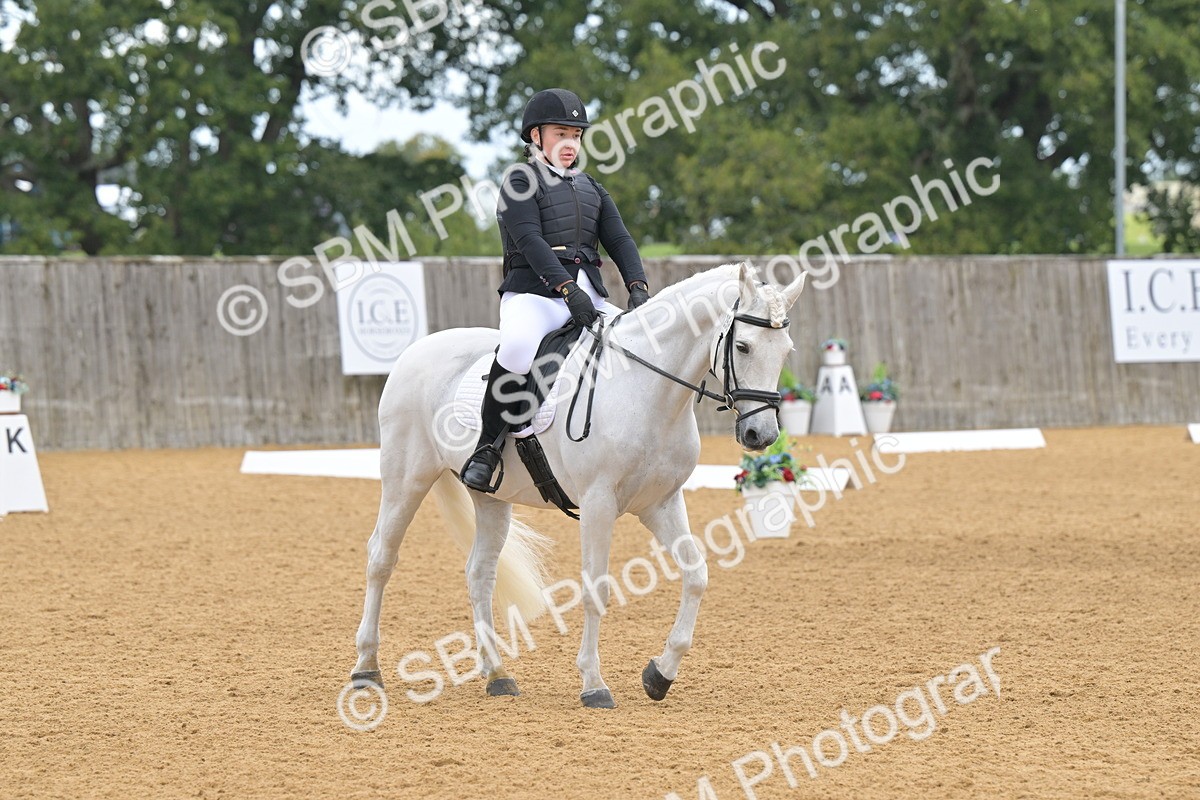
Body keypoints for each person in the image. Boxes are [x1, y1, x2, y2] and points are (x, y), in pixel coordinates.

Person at [460, 88, 651, 492]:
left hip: (590, 295)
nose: (571, 143)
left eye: (577, 135)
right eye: (561, 133)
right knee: (515, 348)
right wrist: (566, 289)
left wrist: (637, 286)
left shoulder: (592, 189)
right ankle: (487, 448)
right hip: (534, 295)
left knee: (637, 349)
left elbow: (619, 240)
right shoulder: (519, 180)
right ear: (536, 136)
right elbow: (529, 239)